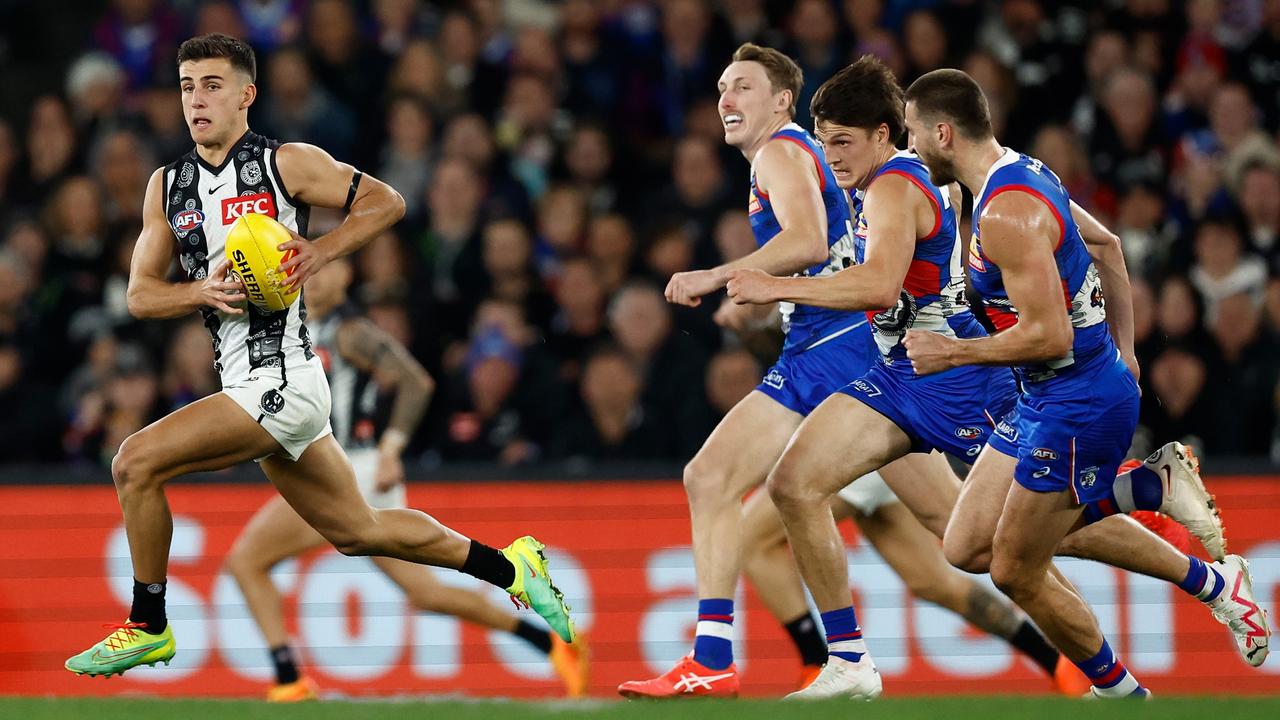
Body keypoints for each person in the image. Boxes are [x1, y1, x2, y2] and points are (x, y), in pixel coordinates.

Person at [724, 58, 1264, 699]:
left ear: (890, 134)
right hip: (918, 373)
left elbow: (881, 284)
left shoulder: (924, 190)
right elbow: (1108, 246)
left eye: (843, 141)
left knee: (1011, 549)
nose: (830, 155)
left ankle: (1151, 518)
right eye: (824, 141)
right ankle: (850, 662)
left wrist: (770, 285)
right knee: (876, 512)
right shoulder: (969, 182)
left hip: (965, 375)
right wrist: (1128, 349)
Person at [65, 34, 574, 679]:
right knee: (360, 531)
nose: (197, 99)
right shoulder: (167, 187)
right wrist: (200, 290)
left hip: (283, 380)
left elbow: (387, 202)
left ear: (247, 95)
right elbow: (140, 295)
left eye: (213, 85)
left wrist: (319, 251)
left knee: (134, 463)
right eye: (188, 86)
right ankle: (513, 567)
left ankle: (148, 623)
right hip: (252, 383)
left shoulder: (286, 164)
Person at [617, 43, 972, 700]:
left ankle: (726, 659)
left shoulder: (781, 151)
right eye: (722, 87)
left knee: (713, 477)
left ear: (782, 101)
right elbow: (824, 251)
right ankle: (1138, 507)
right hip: (834, 342)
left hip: (832, 347)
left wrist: (719, 275)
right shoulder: (792, 157)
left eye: (743, 87)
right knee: (962, 532)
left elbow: (808, 241)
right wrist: (756, 305)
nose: (727, 99)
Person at [898, 68, 1269, 692]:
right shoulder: (1026, 173)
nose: (910, 151)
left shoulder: (1005, 215)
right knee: (966, 547)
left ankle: (1123, 693)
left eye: (911, 135)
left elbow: (1051, 336)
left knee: (1015, 566)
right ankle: (1203, 569)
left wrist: (951, 353)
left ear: (943, 131)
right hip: (1048, 393)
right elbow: (1109, 247)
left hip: (1074, 402)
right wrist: (1127, 353)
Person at [225, 258, 588, 701]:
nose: (310, 280)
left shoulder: (349, 330)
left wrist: (391, 448)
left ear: (346, 275)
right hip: (347, 466)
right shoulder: (304, 325)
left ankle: (288, 679)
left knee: (247, 560)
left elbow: (416, 381)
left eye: (321, 270)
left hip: (349, 465)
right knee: (426, 593)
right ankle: (547, 640)